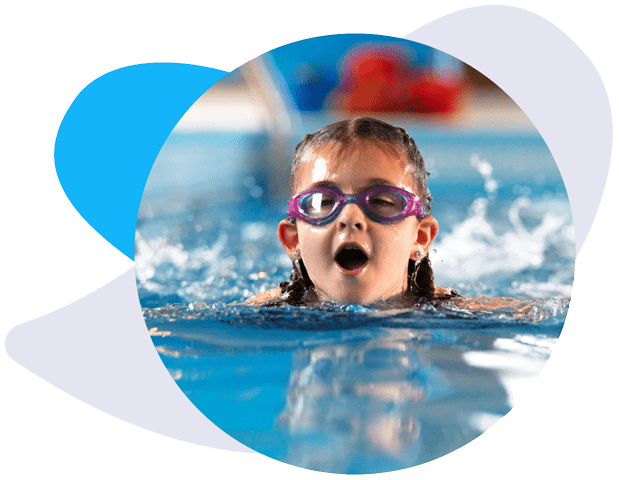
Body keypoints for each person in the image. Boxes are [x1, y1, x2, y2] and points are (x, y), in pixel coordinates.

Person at [240, 117, 550, 316]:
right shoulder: (266, 312)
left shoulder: (454, 312)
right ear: (293, 239)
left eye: (383, 201)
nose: (350, 217)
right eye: (322, 202)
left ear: (420, 237)